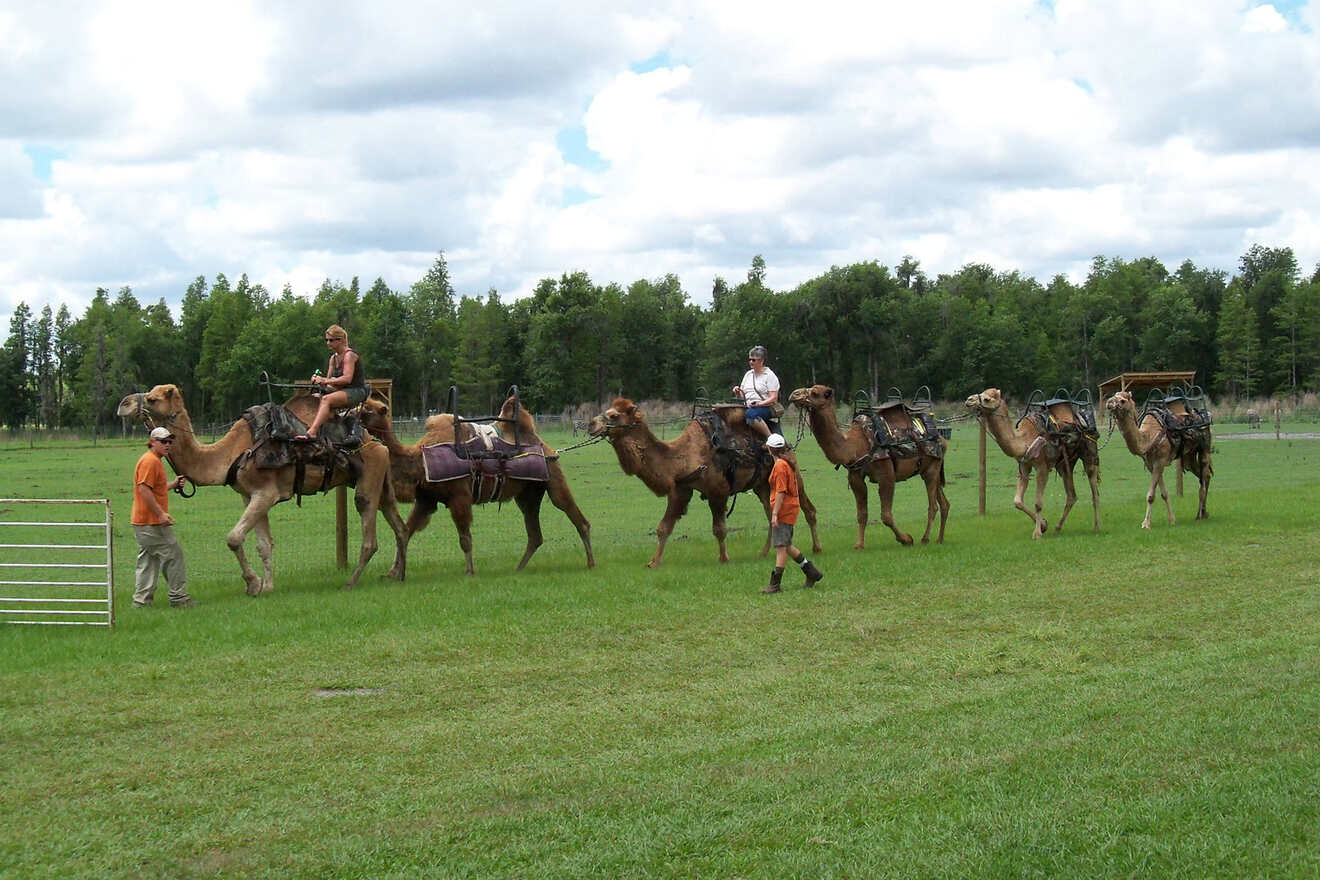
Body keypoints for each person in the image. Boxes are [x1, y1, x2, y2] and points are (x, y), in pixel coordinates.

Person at [131, 426, 194, 608]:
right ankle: (179, 598)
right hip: (152, 523)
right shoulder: (150, 462)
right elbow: (143, 489)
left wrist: (172, 484)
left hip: (141, 522)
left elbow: (153, 488)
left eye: (169, 441)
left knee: (148, 562)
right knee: (173, 555)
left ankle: (141, 602)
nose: (167, 445)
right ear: (152, 442)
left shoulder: (153, 460)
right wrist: (160, 514)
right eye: (163, 441)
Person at [762, 433, 823, 594]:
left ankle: (775, 585)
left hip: (784, 510)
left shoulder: (780, 466)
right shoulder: (785, 463)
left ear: (770, 449)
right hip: (789, 508)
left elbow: (781, 491)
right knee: (787, 545)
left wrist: (774, 514)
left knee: (781, 547)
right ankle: (812, 572)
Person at [297, 324, 367, 441]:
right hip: (340, 390)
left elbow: (347, 378)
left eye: (331, 340)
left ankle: (312, 432)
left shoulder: (349, 355)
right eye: (326, 340)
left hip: (355, 391)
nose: (328, 343)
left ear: (341, 340)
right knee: (314, 396)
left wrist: (324, 380)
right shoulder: (333, 358)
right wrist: (318, 380)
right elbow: (328, 383)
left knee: (326, 400)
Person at [732, 344, 779, 438]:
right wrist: (737, 391)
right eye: (750, 359)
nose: (751, 362)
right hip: (748, 406)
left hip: (765, 407)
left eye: (754, 360)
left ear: (761, 361)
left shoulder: (769, 375)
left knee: (751, 414)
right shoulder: (748, 374)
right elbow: (742, 396)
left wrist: (759, 404)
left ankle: (771, 439)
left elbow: (774, 398)